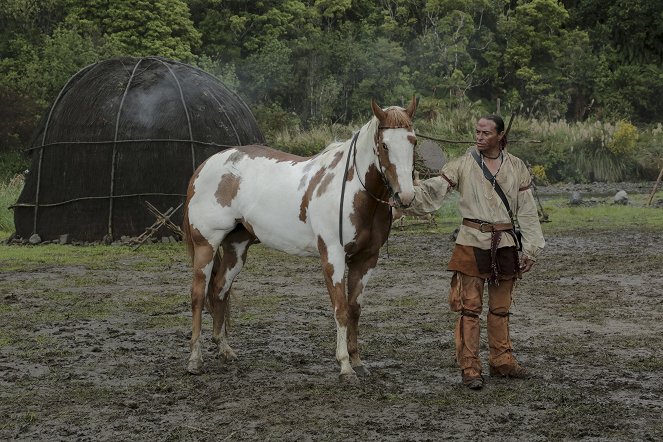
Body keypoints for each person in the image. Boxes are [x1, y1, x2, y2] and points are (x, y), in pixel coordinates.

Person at [407, 115, 545, 390]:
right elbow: (436, 188)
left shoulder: (517, 166)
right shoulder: (462, 163)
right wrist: (406, 195)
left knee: (501, 309)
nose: (479, 136)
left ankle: (502, 361)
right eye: (477, 132)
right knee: (469, 310)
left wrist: (531, 247)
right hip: (470, 242)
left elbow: (527, 211)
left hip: (504, 243)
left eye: (485, 132)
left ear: (500, 135)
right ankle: (470, 368)